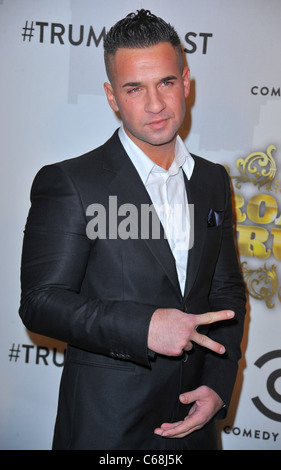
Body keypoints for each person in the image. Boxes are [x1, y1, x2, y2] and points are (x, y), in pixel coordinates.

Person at [19, 10, 246, 450]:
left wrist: (218, 387)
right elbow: (41, 302)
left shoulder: (213, 180)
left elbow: (226, 294)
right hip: (108, 426)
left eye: (165, 82)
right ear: (111, 97)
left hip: (196, 425)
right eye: (134, 89)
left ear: (185, 82)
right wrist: (144, 326)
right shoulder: (72, 182)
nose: (156, 104)